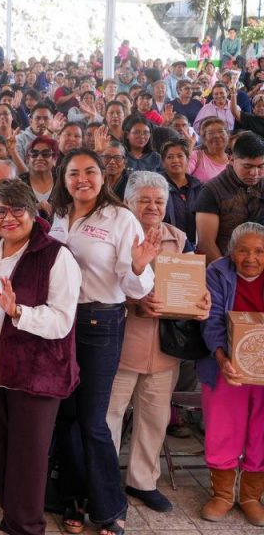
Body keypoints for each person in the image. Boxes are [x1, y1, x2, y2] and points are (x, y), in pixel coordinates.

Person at [0, 179, 81, 535]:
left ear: (32, 212)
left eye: (16, 210)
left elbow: (61, 321)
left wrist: (19, 313)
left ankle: (26, 526)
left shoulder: (56, 255)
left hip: (35, 374)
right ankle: (12, 520)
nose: (8, 218)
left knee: (27, 459)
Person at [48, 150, 159, 535]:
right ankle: (73, 498)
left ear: (103, 176)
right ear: (63, 178)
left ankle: (109, 506)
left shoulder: (121, 219)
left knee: (93, 421)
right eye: (74, 173)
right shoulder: (59, 217)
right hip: (62, 323)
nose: (83, 179)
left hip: (100, 322)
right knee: (66, 416)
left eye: (90, 172)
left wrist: (141, 267)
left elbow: (134, 285)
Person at [105, 171, 211, 516]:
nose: (152, 207)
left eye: (159, 201)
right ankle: (103, 483)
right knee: (109, 416)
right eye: (144, 200)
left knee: (154, 417)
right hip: (120, 343)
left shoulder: (179, 239)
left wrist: (202, 300)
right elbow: (98, 286)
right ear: (128, 202)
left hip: (166, 348)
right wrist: (134, 302)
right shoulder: (114, 236)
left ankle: (143, 481)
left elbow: (194, 282)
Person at [200, 221, 264, 526]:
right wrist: (223, 358)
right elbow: (211, 320)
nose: (251, 258)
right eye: (243, 250)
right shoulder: (218, 272)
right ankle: (223, 494)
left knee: (262, 431)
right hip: (226, 364)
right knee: (223, 427)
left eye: (259, 251)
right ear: (231, 252)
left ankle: (251, 496)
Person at [195, 132, 264, 263]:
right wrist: (226, 274)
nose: (255, 173)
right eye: (247, 166)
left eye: (261, 166)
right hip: (226, 267)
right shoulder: (212, 191)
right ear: (231, 160)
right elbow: (206, 244)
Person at [160, 140, 203, 242]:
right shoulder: (157, 187)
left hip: (194, 247)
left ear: (188, 160)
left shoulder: (199, 188)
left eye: (180, 156)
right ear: (163, 162)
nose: (175, 160)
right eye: (170, 157)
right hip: (165, 245)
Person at [189, 117, 230, 182]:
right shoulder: (196, 156)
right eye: (211, 133)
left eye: (221, 131)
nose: (216, 135)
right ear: (204, 138)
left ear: (227, 135)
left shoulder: (233, 160)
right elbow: (181, 175)